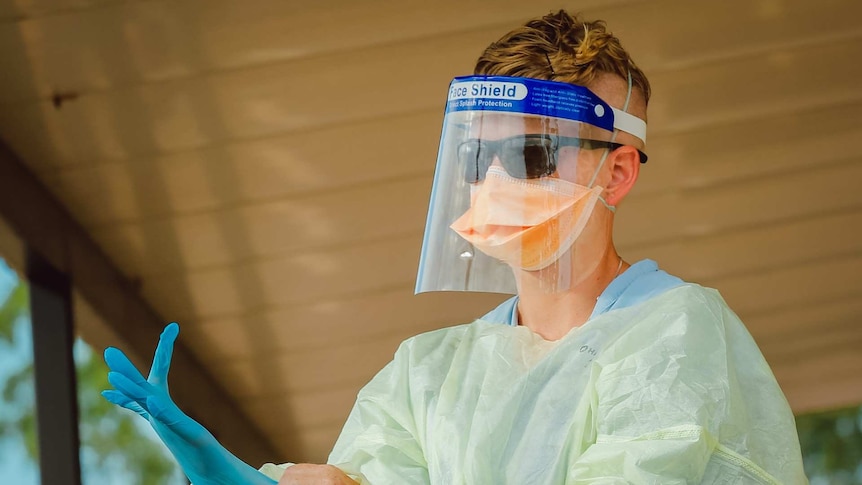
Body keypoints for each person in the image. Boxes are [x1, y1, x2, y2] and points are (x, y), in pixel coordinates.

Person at [102, 10, 808, 484]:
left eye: (532, 153)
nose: (497, 180)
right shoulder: (428, 377)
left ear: (616, 172)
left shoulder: (675, 337)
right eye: (480, 158)